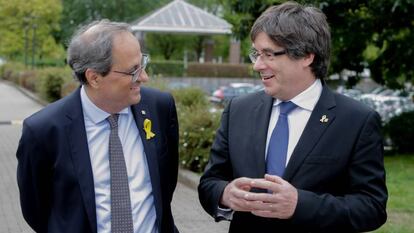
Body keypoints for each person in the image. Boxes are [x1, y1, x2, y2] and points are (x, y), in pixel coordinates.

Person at [198, 2, 387, 232]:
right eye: (256, 54)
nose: (258, 65)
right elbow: (209, 183)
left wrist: (299, 204)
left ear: (307, 56)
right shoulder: (238, 110)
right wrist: (225, 195)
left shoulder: (357, 120)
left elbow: (372, 207)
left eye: (269, 54)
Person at [17, 20, 179, 233]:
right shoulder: (43, 131)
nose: (144, 77)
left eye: (143, 64)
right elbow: (36, 211)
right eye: (133, 70)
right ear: (94, 77)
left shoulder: (160, 108)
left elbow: (166, 184)